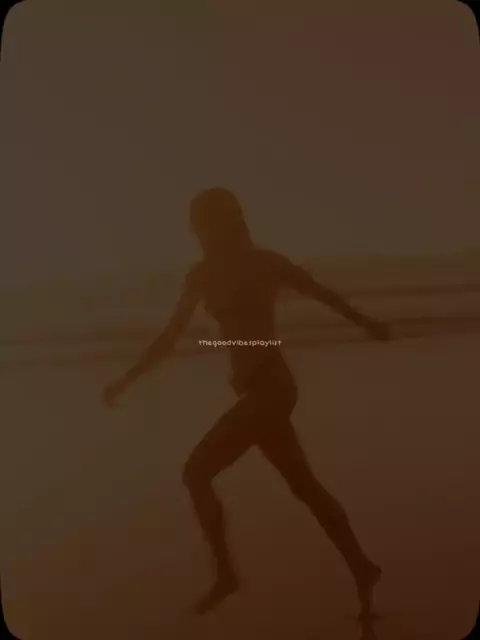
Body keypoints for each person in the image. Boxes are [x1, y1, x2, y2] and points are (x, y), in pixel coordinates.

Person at [103, 188, 390, 618]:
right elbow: (170, 336)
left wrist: (366, 323)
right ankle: (362, 567)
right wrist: (128, 379)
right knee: (305, 488)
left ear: (225, 222)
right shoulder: (200, 275)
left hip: (272, 387)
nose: (198, 231)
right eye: (195, 223)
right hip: (255, 391)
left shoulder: (264, 263)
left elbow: (321, 292)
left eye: (204, 222)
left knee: (196, 471)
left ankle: (226, 575)